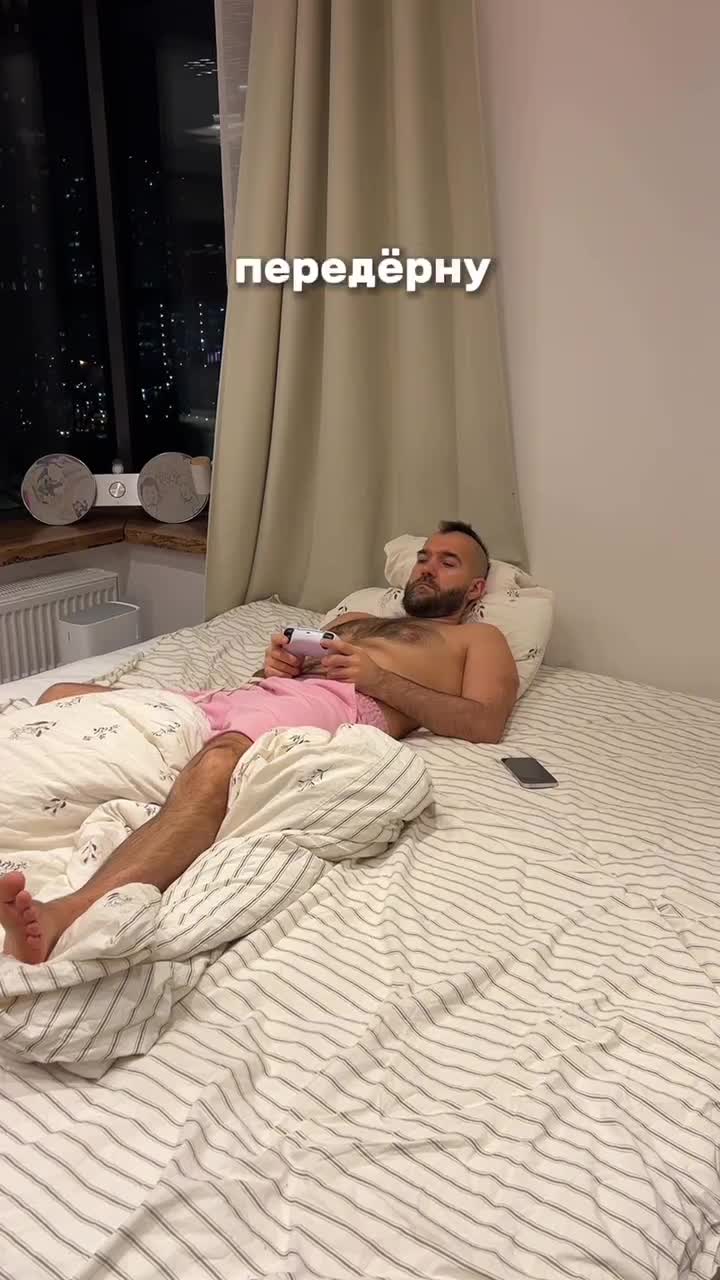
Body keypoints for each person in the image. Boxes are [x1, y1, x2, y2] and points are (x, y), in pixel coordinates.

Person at [0, 521, 517, 966]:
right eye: (424, 557)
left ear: (475, 589)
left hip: (335, 704)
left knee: (218, 763)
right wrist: (275, 665)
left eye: (447, 562)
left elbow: (485, 723)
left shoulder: (478, 639)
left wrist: (377, 679)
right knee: (61, 696)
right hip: (246, 697)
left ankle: (66, 913)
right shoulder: (351, 621)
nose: (427, 568)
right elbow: (267, 680)